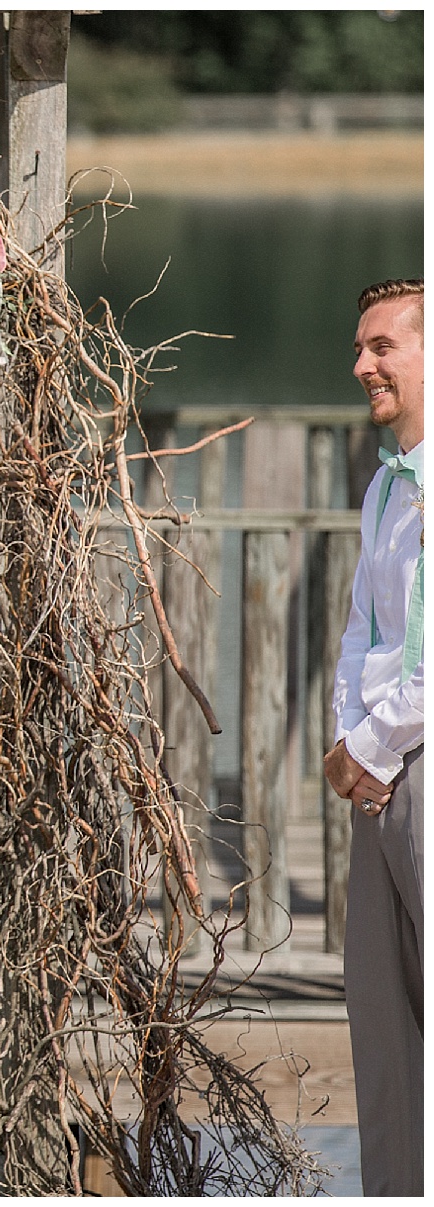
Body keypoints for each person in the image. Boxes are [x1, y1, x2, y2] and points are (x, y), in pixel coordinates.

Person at [323, 278, 423, 1196]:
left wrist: (377, 746)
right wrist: (346, 739)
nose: (363, 365)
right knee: (380, 1023)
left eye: (384, 346)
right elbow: (364, 628)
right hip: (382, 776)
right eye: (362, 347)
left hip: (418, 769)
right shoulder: (386, 488)